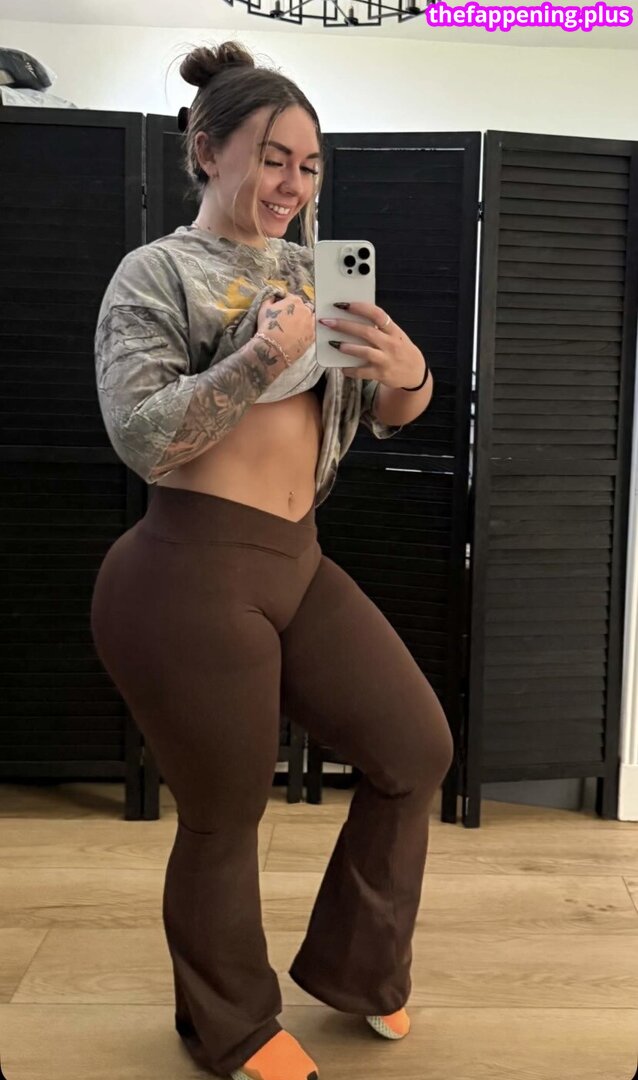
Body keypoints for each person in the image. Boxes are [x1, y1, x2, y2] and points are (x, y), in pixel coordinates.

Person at [90, 40, 454, 1080]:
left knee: (414, 748)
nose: (293, 184)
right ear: (207, 152)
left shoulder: (312, 271)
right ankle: (231, 1025)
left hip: (296, 560)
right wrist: (258, 355)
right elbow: (142, 435)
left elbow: (384, 414)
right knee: (225, 809)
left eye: (309, 165)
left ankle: (357, 967)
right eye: (273, 158)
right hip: (186, 572)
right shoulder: (157, 273)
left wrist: (408, 371)